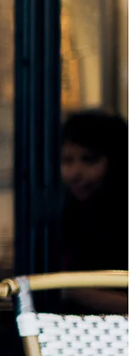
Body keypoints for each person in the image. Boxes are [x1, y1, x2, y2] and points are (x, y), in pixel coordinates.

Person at [58, 110, 128, 314]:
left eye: (89, 160)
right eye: (67, 160)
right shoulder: (66, 214)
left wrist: (64, 287)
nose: (75, 173)